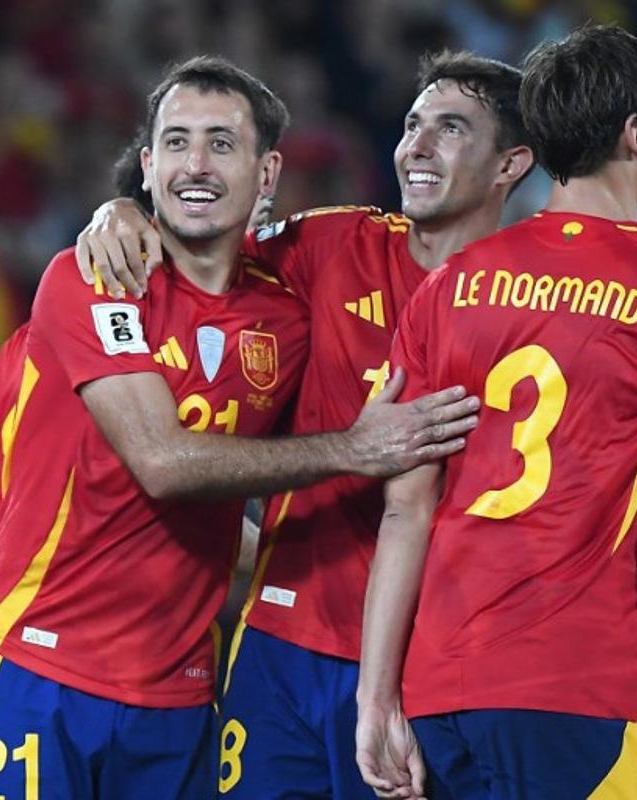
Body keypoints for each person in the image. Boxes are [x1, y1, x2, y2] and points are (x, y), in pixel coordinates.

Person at [0, 57, 479, 800]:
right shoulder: (90, 281)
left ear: (266, 172)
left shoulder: (285, 314)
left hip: (180, 701)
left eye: (221, 143)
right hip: (39, 675)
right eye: (175, 143)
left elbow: (217, 500)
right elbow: (139, 467)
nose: (196, 164)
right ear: (146, 165)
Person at [76, 51, 533, 798]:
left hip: (430, 666)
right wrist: (123, 206)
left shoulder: (529, 301)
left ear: (511, 162)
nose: (415, 147)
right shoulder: (330, 245)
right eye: (412, 125)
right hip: (280, 649)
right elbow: (196, 239)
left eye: (450, 129)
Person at [356, 25, 637, 800]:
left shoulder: (451, 288)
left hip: (442, 696)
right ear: (634, 135)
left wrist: (376, 697)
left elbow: (406, 510)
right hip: (577, 693)